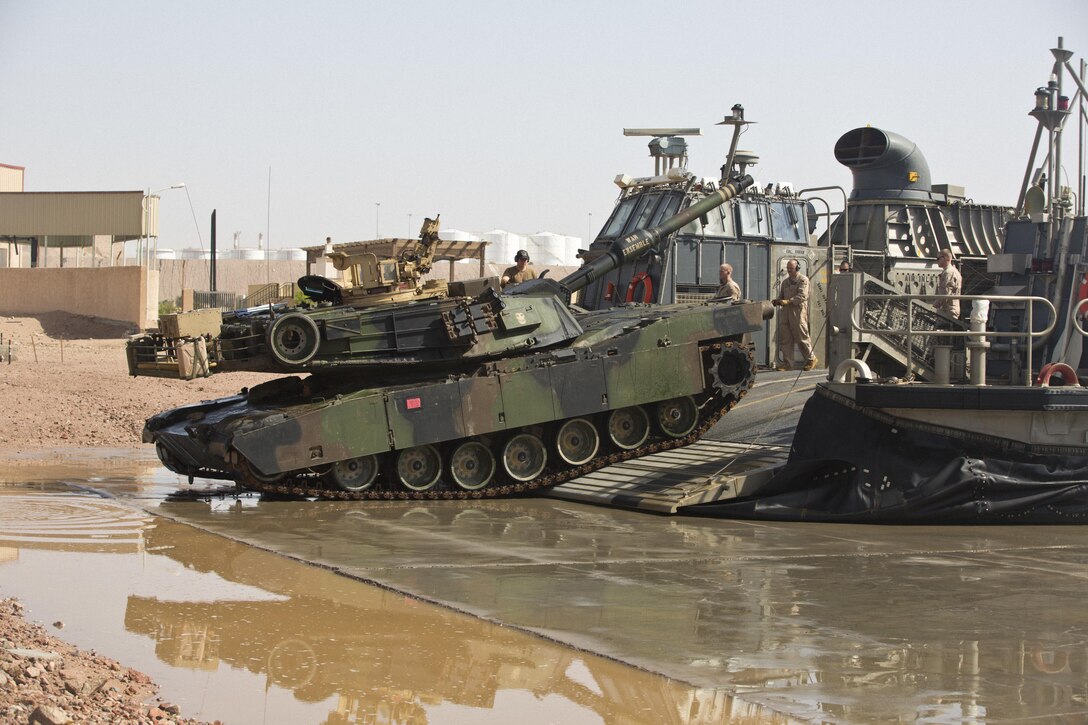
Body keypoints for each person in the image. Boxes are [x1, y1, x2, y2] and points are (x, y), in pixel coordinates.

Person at [772, 259, 817, 371]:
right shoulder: (785, 282)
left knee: (801, 336)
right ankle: (788, 363)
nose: (789, 270)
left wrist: (789, 301)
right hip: (786, 313)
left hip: (798, 312)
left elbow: (803, 296)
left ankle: (811, 359)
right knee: (785, 338)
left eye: (791, 268)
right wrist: (778, 301)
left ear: (797, 268)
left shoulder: (803, 280)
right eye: (788, 268)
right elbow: (782, 296)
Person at [935, 248, 962, 319]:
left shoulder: (948, 273)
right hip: (949, 309)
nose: (937, 261)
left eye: (938, 258)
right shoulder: (952, 271)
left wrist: (934, 306)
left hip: (949, 310)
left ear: (945, 258)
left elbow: (944, 293)